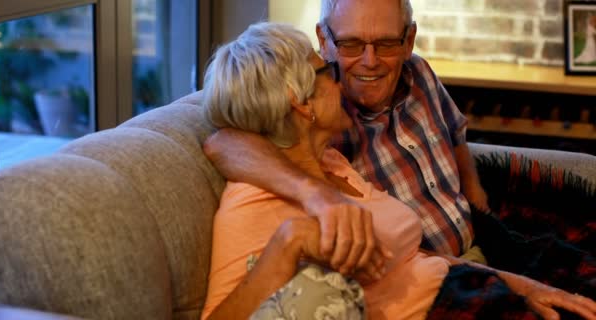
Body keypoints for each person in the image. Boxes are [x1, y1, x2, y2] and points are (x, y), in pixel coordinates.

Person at [199, 22, 596, 320]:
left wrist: (520, 283)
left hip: (467, 285)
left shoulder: (332, 164)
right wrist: (286, 243)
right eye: (329, 73)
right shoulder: (252, 202)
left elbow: (416, 259)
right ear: (301, 102)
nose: (343, 81)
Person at [203, 0, 487, 274]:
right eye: (350, 44)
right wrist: (314, 192)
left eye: (386, 43)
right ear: (324, 40)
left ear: (408, 40)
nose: (370, 61)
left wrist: (477, 199)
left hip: (481, 241)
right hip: (439, 271)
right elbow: (223, 143)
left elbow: (456, 132)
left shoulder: (419, 72)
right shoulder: (319, 123)